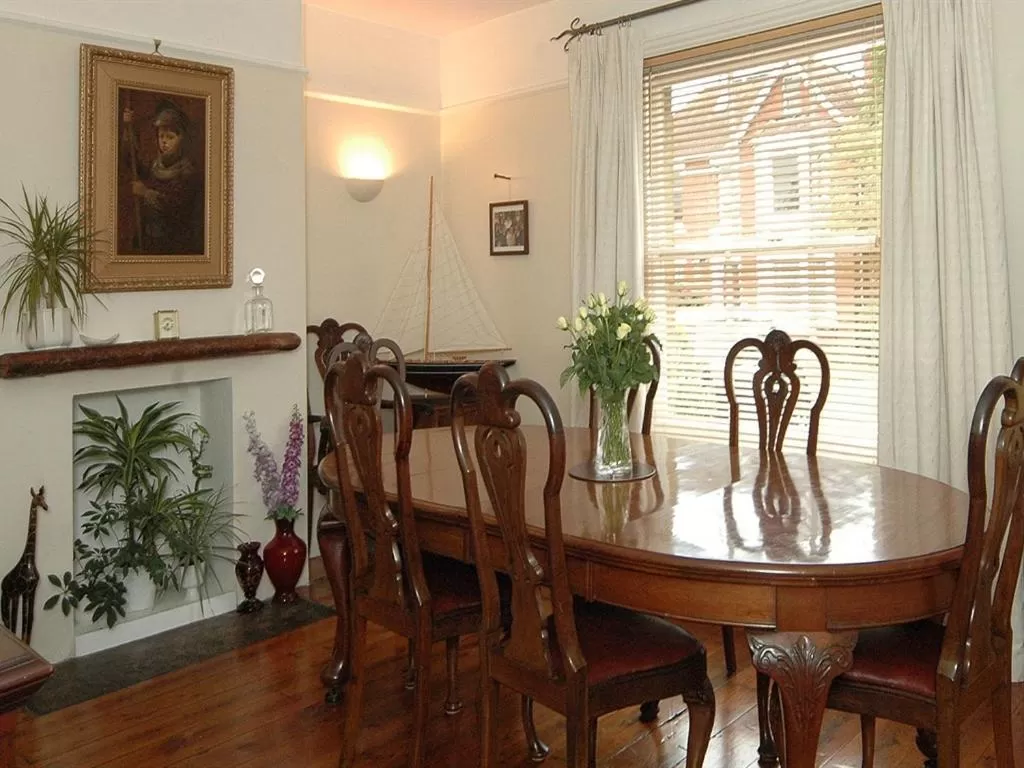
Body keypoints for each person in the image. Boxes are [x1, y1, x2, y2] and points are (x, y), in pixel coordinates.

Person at [122, 99, 204, 255]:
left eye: (170, 137)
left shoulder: (188, 172)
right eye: (161, 137)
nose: (164, 142)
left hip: (174, 243)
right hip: (150, 237)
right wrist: (128, 127)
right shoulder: (156, 166)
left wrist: (145, 193)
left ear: (182, 140)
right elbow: (132, 161)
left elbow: (174, 205)